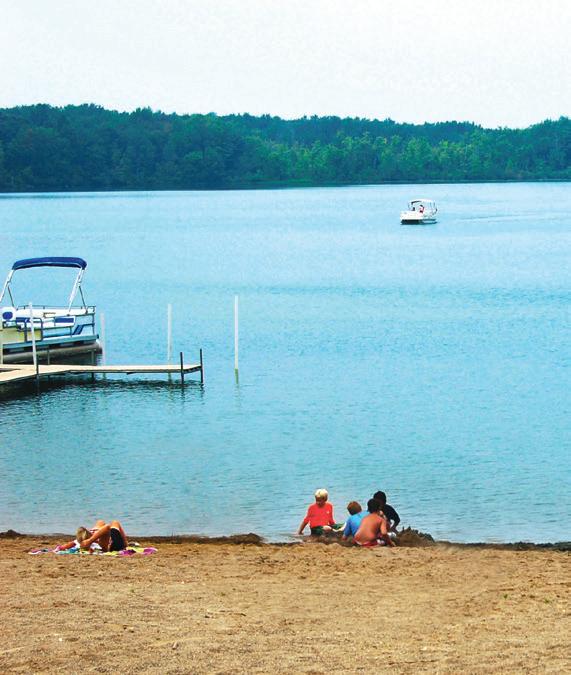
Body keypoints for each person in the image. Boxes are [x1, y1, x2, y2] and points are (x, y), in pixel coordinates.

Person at [57, 519, 129, 552]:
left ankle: (97, 530)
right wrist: (90, 540)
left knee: (100, 522)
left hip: (98, 538)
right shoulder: (98, 543)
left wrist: (60, 548)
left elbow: (65, 546)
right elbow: (107, 527)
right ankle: (125, 543)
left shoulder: (80, 542)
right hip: (113, 544)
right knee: (115, 522)